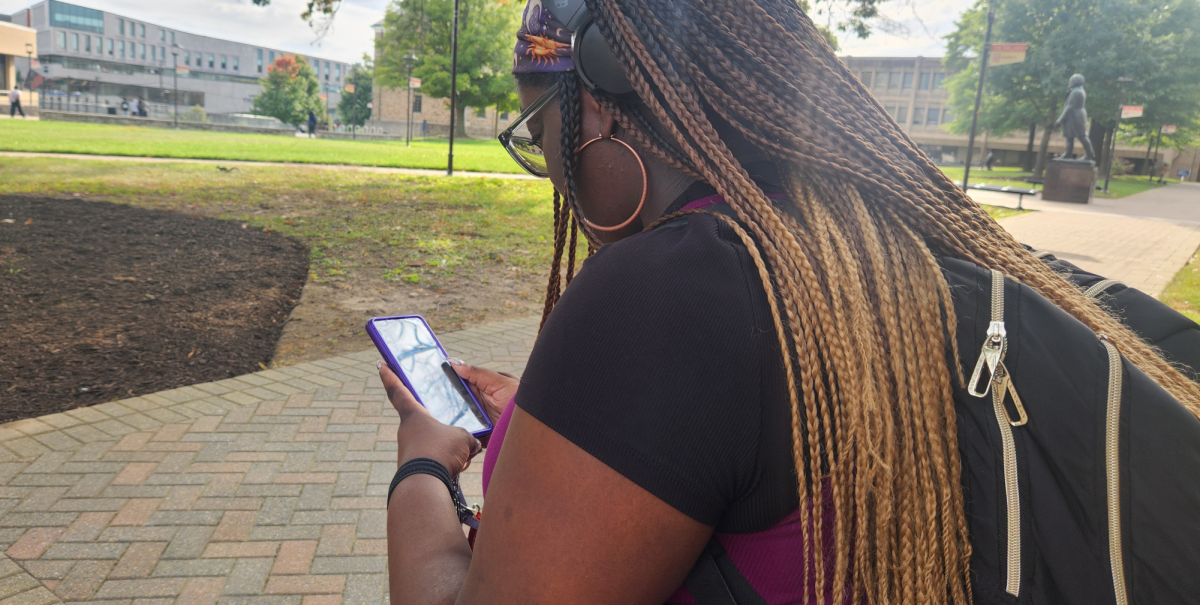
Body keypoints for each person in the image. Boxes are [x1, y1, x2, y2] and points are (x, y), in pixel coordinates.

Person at [380, 1, 1200, 604]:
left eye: (538, 131)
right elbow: (743, 447)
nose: (551, 171)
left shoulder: (666, 294)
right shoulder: (863, 254)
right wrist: (554, 426)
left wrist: (420, 464)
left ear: (597, 104)